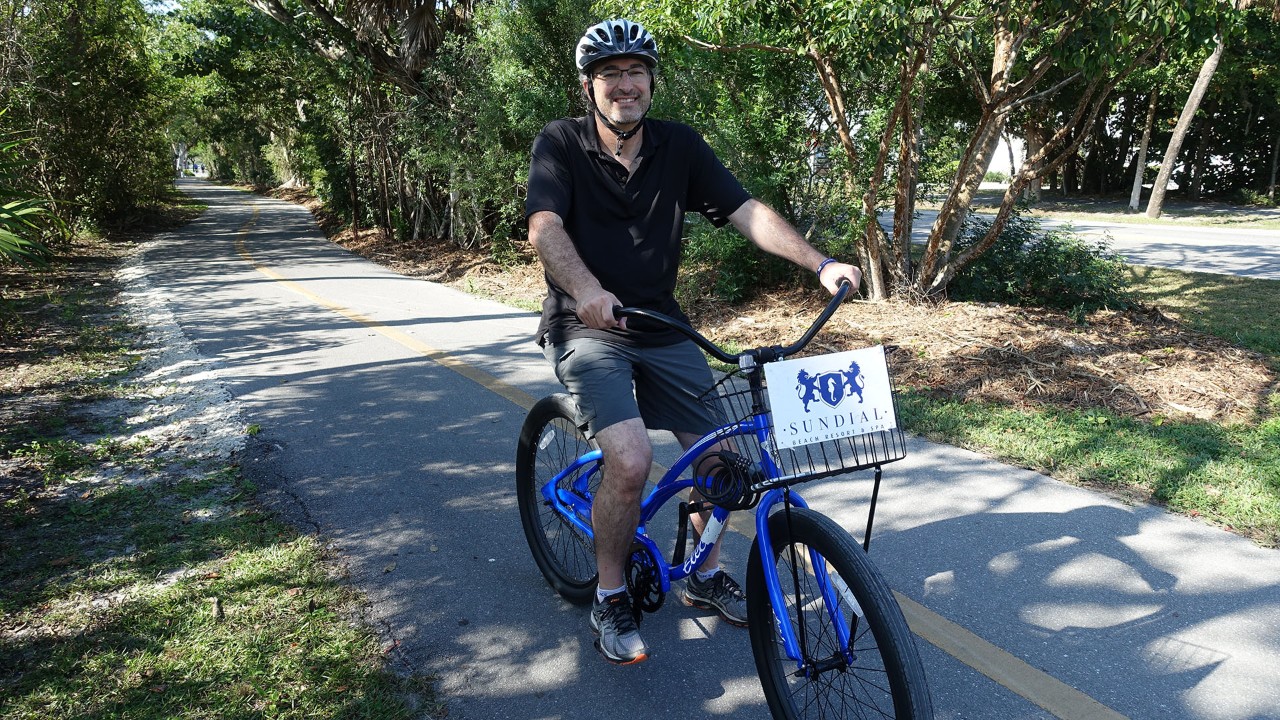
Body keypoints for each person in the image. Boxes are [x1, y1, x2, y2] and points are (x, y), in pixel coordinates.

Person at [525, 18, 861, 666]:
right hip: (585, 324)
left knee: (729, 464)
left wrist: (820, 264)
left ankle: (702, 574)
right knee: (628, 463)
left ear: (651, 80)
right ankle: (611, 592)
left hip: (662, 324)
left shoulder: (679, 147)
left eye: (635, 72)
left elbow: (745, 211)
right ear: (590, 85)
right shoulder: (560, 143)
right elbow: (545, 227)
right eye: (610, 74)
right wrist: (588, 289)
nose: (624, 85)